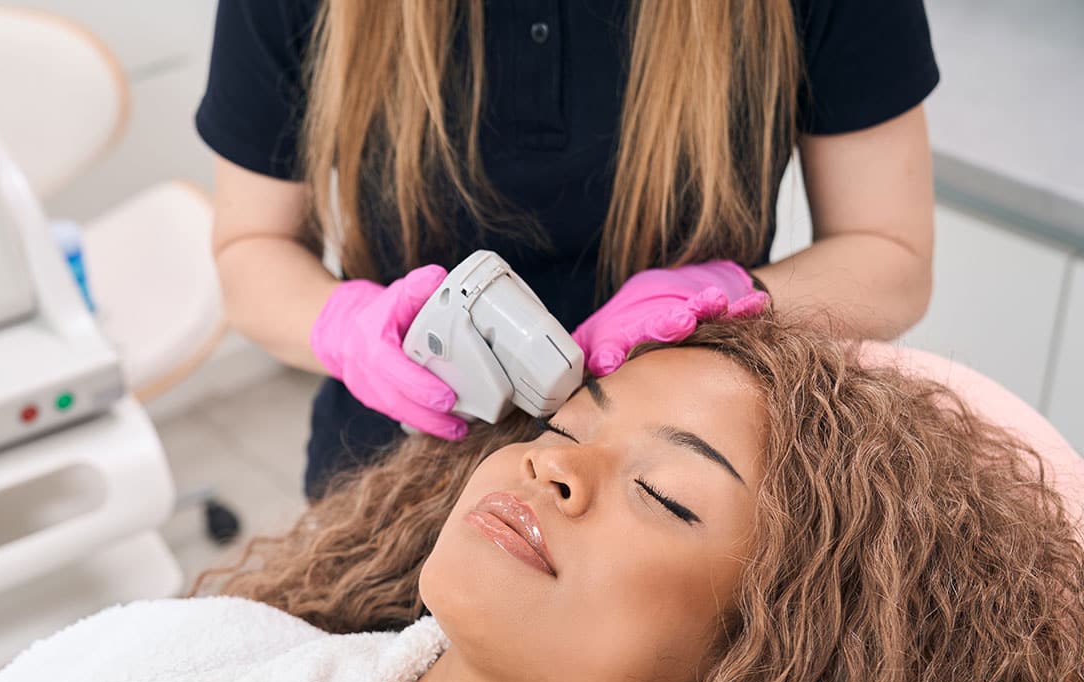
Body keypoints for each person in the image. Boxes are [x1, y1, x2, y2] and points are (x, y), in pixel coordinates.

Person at [0, 318, 1081, 682]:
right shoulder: (212, 652)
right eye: (565, 425)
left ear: (780, 649)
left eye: (663, 490)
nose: (549, 466)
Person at [196, 0, 942, 499]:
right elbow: (250, 251)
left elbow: (891, 257)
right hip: (386, 486)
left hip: (662, 501)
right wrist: (347, 326)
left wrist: (734, 295)